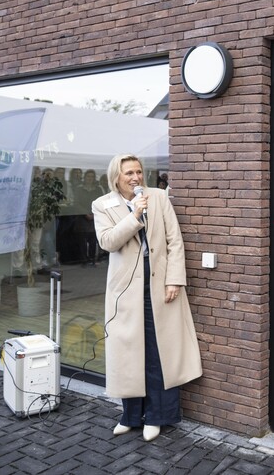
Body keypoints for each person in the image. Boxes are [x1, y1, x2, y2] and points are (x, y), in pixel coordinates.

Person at [92, 154, 202, 442]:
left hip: (158, 283)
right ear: (116, 177)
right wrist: (134, 216)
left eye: (138, 171)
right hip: (126, 290)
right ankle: (130, 416)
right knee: (128, 352)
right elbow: (108, 242)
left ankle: (157, 416)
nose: (136, 177)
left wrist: (174, 279)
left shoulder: (158, 197)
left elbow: (174, 240)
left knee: (158, 351)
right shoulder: (102, 204)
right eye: (129, 173)